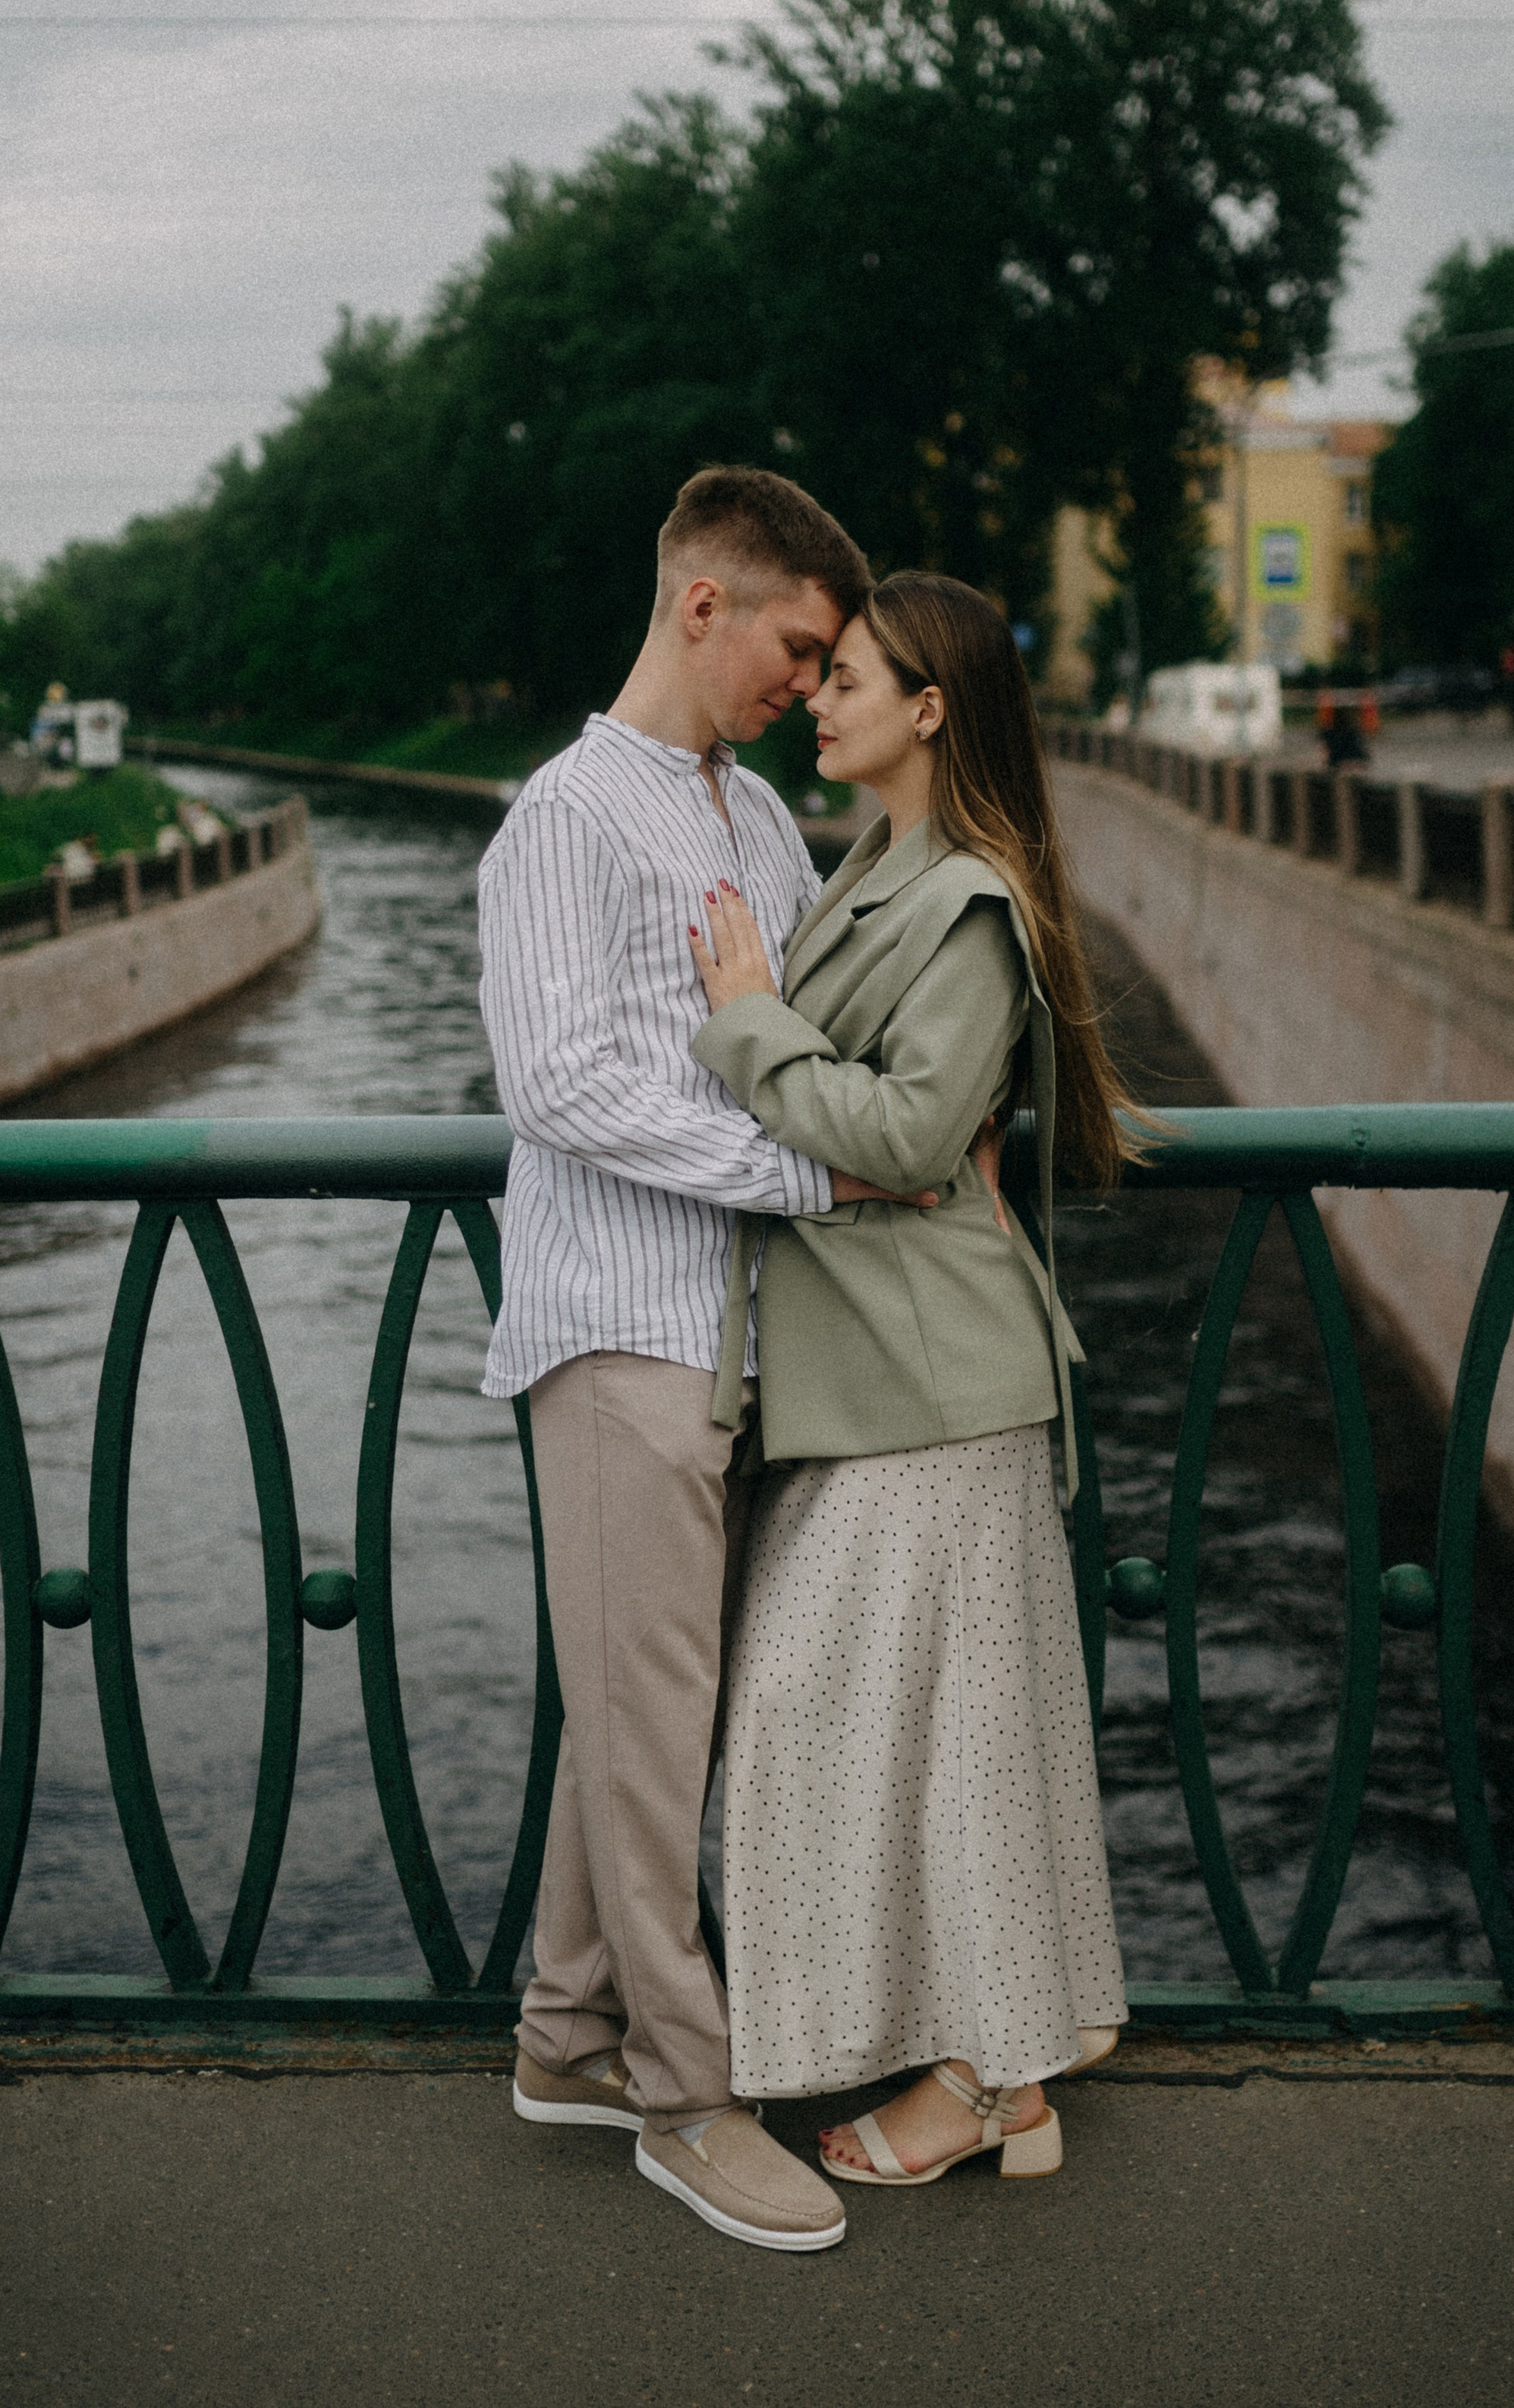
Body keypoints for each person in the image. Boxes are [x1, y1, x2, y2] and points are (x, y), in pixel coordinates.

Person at [480, 467, 933, 2255]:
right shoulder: (563, 814)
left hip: (742, 1335)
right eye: (795, 647)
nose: (807, 685)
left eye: (828, 663)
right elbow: (559, 1084)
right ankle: (684, 2098)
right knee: (653, 1724)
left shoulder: (753, 820)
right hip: (622, 1332)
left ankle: (565, 2034)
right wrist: (805, 1172)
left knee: (646, 1713)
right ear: (700, 605)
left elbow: (797, 1034)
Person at [687, 570, 1134, 2191]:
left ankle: (992, 2085)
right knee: (932, 1738)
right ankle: (1008, 2051)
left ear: (930, 709)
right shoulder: (878, 868)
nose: (819, 695)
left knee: (872, 1729)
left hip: (932, 1378)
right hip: (884, 1370)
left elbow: (910, 1131)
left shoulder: (968, 902)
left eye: (852, 677)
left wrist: (748, 1024)